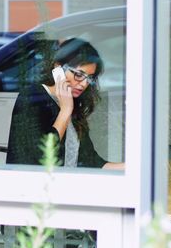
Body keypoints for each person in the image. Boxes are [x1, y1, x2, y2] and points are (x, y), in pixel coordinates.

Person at [6, 38, 124, 170]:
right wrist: (65, 110)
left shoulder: (72, 104)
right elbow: (40, 158)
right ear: (58, 68)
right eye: (79, 74)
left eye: (90, 78)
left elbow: (93, 162)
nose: (84, 84)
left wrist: (131, 167)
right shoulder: (32, 98)